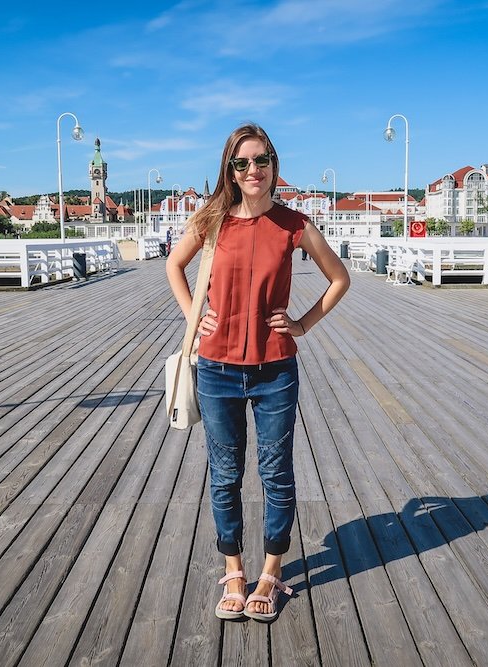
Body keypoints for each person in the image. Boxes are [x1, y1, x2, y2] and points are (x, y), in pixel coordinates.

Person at [166, 123, 350, 623]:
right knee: (225, 476)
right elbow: (174, 266)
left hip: (275, 369)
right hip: (218, 368)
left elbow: (340, 278)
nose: (253, 170)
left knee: (276, 473)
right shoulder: (212, 221)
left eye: (261, 160)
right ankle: (234, 570)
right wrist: (193, 315)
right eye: (242, 163)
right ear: (229, 169)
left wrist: (302, 324)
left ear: (274, 165)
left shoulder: (293, 224)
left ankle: (270, 572)